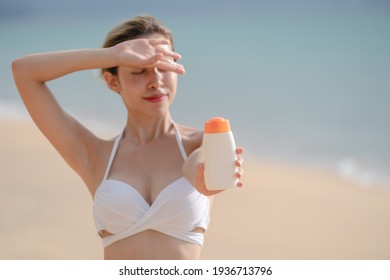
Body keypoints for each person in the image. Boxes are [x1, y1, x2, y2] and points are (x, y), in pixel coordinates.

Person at [12, 15, 244, 260]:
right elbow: (24, 72)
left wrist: (206, 178)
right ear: (113, 82)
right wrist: (113, 56)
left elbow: (199, 169)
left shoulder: (202, 142)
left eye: (164, 66)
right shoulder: (94, 156)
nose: (155, 81)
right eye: (139, 71)